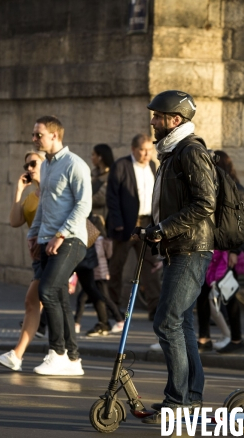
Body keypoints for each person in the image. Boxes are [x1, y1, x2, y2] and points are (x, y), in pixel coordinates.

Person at [140, 90, 217, 425]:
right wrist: (151, 228)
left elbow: (205, 203)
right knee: (182, 325)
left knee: (166, 321)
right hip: (179, 247)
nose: (153, 122)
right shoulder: (172, 153)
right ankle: (190, 398)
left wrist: (166, 228)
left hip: (190, 249)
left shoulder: (191, 151)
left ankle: (178, 402)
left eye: (157, 116)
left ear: (175, 120)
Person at [27, 116, 91, 376]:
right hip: (46, 240)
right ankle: (73, 359)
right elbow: (43, 204)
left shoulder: (75, 164)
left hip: (70, 240)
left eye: (38, 134)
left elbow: (84, 204)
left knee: (48, 290)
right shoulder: (46, 166)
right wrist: (34, 234)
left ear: (54, 136)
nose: (34, 139)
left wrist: (61, 234)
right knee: (60, 298)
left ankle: (57, 352)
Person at [0, 151, 45, 371]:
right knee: (37, 305)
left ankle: (18, 355)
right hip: (39, 258)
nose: (29, 168)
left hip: (55, 254)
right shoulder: (32, 195)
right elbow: (15, 221)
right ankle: (64, 354)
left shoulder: (54, 191)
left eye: (34, 163)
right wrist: (18, 191)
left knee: (32, 303)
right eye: (27, 165)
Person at [107, 133, 161, 319]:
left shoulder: (153, 166)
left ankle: (154, 309)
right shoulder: (122, 165)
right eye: (142, 150)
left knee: (151, 267)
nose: (147, 154)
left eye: (149, 150)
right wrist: (118, 223)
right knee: (117, 267)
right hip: (127, 225)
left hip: (148, 224)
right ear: (133, 149)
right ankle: (113, 308)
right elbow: (112, 197)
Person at [211, 151, 244, 355]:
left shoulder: (236, 190)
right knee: (225, 293)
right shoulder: (224, 187)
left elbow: (241, 224)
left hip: (230, 250)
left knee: (230, 293)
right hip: (223, 248)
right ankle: (231, 337)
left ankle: (237, 339)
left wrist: (236, 250)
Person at [90, 143, 115, 223]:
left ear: (100, 157)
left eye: (93, 155)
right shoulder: (94, 174)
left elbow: (101, 197)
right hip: (91, 216)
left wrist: (84, 202)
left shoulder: (111, 175)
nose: (92, 158)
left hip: (103, 218)